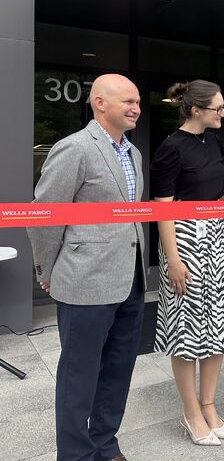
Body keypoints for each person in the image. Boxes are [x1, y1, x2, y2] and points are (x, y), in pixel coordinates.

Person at [27, 74, 146, 461]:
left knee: (118, 370)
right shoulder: (74, 148)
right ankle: (76, 454)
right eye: (128, 101)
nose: (136, 108)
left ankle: (105, 443)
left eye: (139, 102)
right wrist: (47, 270)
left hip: (129, 279)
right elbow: (45, 216)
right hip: (84, 281)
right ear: (99, 102)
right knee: (80, 376)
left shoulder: (134, 152)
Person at [150, 80, 224, 446]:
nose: (223, 113)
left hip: (217, 237)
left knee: (218, 323)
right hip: (183, 241)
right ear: (195, 110)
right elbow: (162, 208)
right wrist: (172, 259)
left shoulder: (214, 141)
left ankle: (209, 404)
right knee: (186, 329)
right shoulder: (170, 148)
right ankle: (190, 411)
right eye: (218, 108)